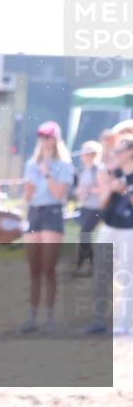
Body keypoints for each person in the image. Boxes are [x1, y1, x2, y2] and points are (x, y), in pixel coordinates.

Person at [17, 120, 74, 334]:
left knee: (49, 269)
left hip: (52, 213)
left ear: (56, 139)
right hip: (35, 213)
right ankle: (32, 316)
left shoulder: (65, 165)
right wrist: (28, 189)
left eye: (48, 136)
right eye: (41, 136)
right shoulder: (31, 163)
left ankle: (49, 317)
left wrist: (48, 173)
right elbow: (27, 196)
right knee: (34, 269)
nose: (44, 140)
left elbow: (59, 194)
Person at [85, 132, 133, 335]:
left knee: (128, 277)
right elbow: (102, 202)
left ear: (130, 152)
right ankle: (99, 321)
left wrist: (125, 191)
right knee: (101, 274)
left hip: (129, 229)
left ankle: (124, 322)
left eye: (118, 150)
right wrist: (109, 188)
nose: (114, 153)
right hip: (109, 226)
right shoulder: (114, 173)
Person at [73, 140, 105, 276]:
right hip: (85, 206)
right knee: (83, 235)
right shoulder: (84, 170)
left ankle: (86, 263)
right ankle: (86, 264)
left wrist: (89, 189)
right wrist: (80, 192)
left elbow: (104, 189)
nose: (82, 156)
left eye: (85, 153)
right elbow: (80, 189)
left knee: (84, 234)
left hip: (96, 208)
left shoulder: (98, 169)